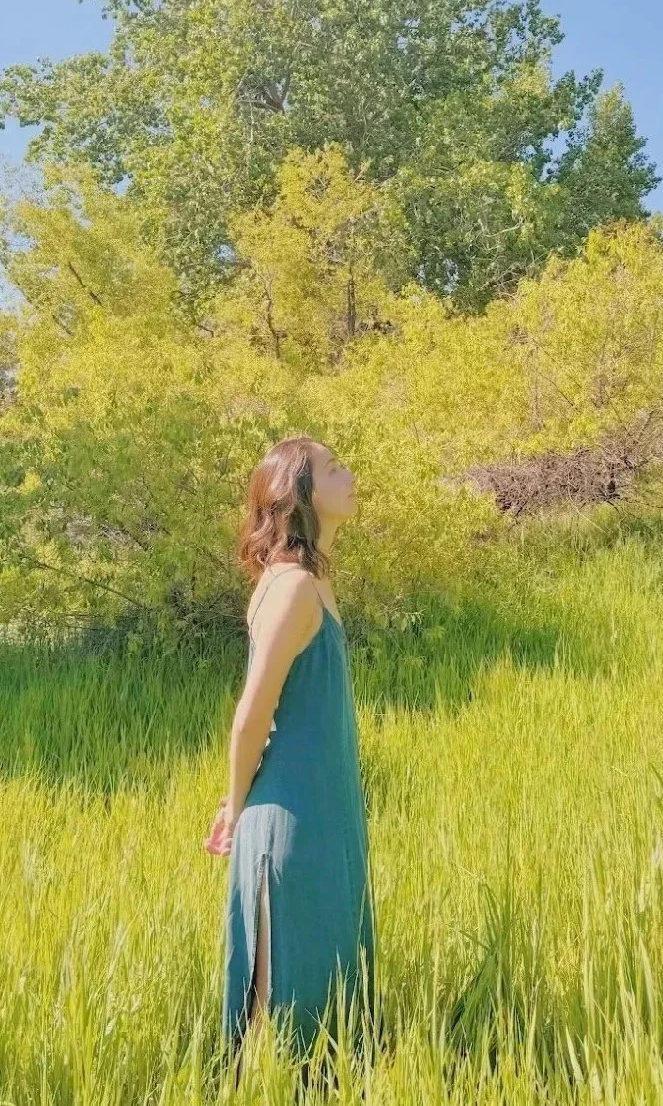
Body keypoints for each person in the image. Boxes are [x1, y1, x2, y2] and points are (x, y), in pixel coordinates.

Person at [204, 435, 376, 1065]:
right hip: (294, 819)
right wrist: (235, 805)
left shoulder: (311, 583)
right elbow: (251, 716)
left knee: (334, 990)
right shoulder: (293, 587)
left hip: (324, 808)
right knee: (290, 1005)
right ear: (300, 493)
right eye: (334, 468)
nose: (350, 475)